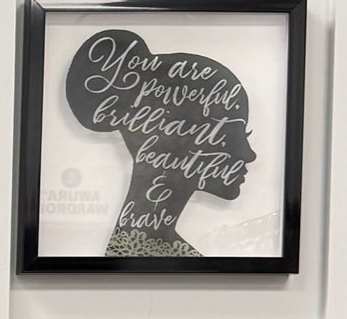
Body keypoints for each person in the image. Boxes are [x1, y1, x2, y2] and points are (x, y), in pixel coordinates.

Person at [61, 25, 255, 256]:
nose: (249, 154)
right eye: (232, 135)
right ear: (178, 140)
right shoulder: (146, 252)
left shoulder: (139, 248)